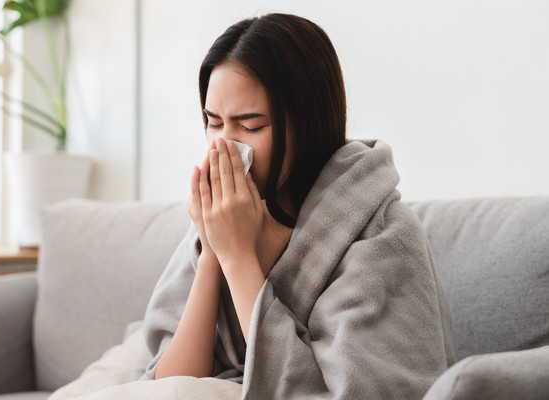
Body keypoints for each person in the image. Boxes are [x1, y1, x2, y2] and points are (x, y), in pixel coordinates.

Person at [143, 13, 455, 399]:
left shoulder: (383, 236)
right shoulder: (225, 217)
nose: (224, 147)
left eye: (251, 126)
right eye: (213, 122)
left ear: (307, 124)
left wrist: (239, 259)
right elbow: (171, 383)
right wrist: (213, 252)